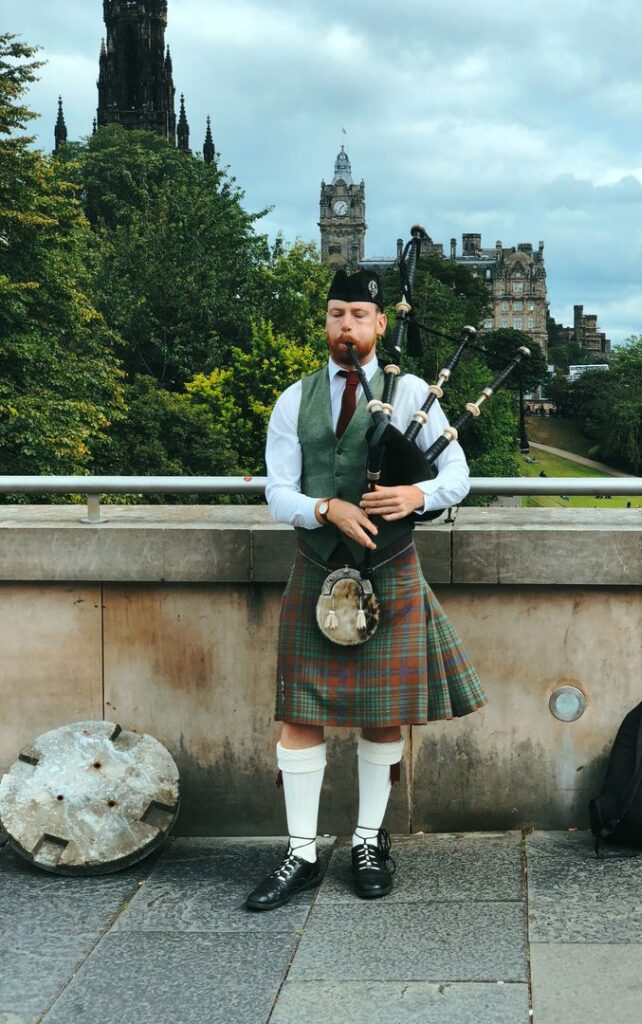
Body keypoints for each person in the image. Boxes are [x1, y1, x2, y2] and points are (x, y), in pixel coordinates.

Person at [244, 268, 487, 911]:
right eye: (334, 314)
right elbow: (277, 491)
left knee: (383, 717)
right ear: (324, 325)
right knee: (300, 716)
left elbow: (457, 475)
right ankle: (300, 851)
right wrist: (324, 508)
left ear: (381, 323)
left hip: (389, 568)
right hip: (319, 566)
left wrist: (416, 494)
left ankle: (369, 840)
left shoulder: (411, 394)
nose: (345, 326)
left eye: (357, 314)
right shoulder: (295, 399)